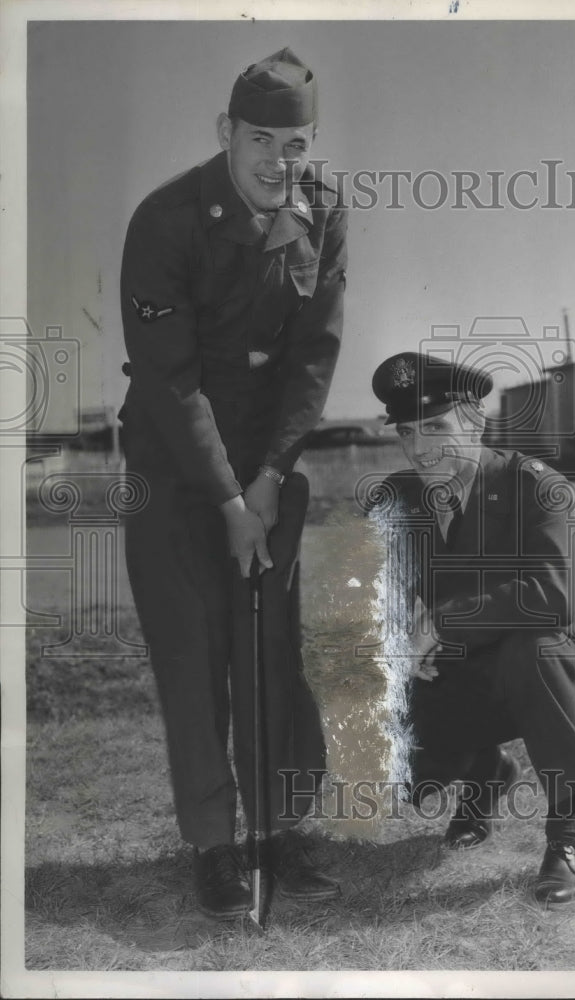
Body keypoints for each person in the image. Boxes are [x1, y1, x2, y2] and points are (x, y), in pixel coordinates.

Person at [119, 48, 347, 918]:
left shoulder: (323, 212)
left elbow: (313, 355)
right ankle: (216, 849)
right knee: (193, 655)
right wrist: (225, 499)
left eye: (295, 145)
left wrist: (269, 481)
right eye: (261, 140)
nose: (278, 163)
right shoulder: (165, 218)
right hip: (173, 470)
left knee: (271, 656)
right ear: (226, 133)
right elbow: (171, 381)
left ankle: (279, 833)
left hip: (266, 470)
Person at [370, 351, 575, 907]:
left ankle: (567, 839)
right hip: (459, 676)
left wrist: (444, 624)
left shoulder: (534, 485)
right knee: (404, 776)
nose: (420, 446)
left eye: (437, 426)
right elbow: (377, 597)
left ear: (475, 421)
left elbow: (553, 597)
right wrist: (404, 640)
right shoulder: (397, 499)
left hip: (551, 675)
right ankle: (484, 771)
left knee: (533, 646)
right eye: (407, 431)